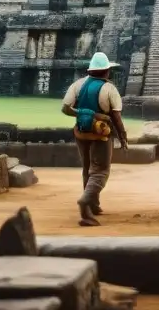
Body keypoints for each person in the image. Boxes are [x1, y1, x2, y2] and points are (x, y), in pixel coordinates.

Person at [61, 51, 129, 227]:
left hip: (81, 131)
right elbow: (116, 117)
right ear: (106, 71)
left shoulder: (77, 85)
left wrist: (83, 113)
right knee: (100, 171)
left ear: (90, 70)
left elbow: (65, 108)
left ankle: (93, 204)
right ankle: (85, 202)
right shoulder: (109, 89)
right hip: (101, 133)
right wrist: (122, 136)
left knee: (87, 168)